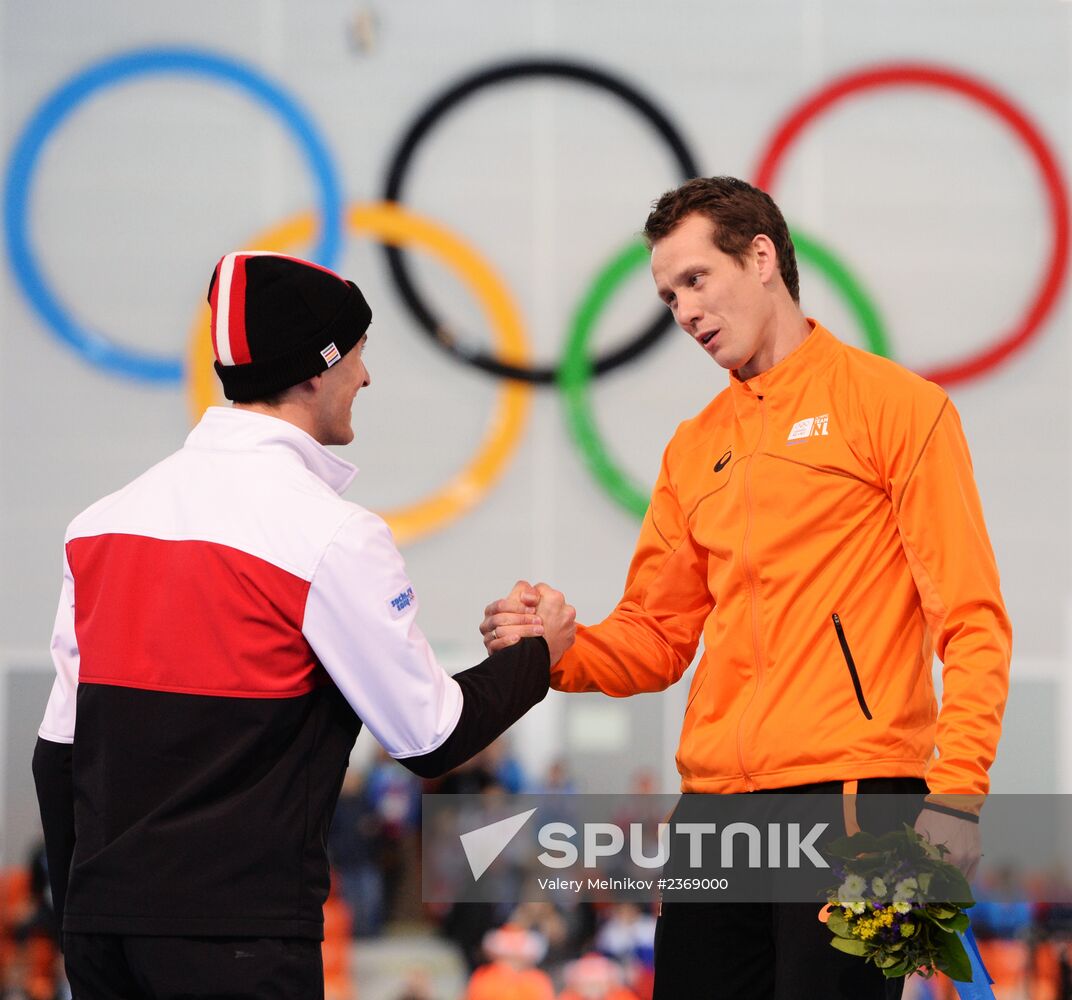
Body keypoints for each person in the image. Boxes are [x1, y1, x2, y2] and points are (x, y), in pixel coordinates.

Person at [480, 177, 1011, 999]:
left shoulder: (899, 408)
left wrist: (959, 796)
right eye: (667, 296)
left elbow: (972, 621)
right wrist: (561, 647)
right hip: (717, 814)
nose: (684, 312)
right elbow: (656, 637)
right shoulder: (693, 449)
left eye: (695, 281)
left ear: (762, 257)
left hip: (859, 804)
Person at [31, 251, 576, 999]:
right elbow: (431, 736)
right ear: (316, 371)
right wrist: (537, 654)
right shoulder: (329, 536)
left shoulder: (99, 526)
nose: (367, 376)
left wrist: (79, 924)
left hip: (102, 938)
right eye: (358, 355)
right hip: (237, 941)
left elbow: (56, 756)